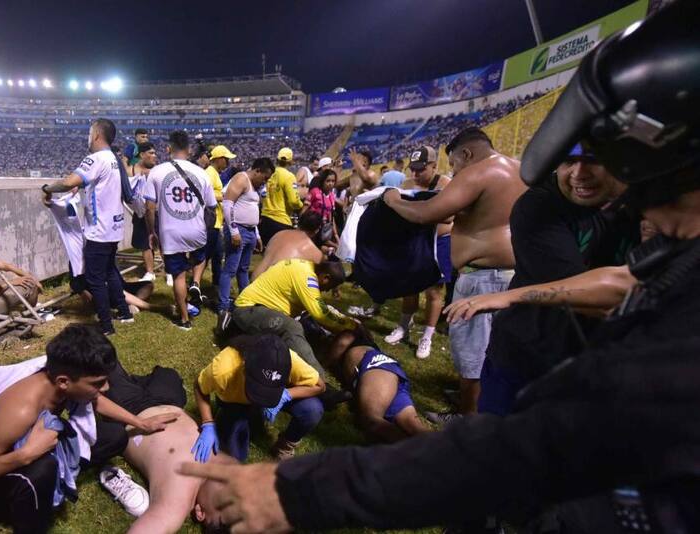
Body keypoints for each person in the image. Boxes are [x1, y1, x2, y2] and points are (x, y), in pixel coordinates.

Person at [179, 8, 700, 531]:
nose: (581, 175)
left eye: (600, 157)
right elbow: (626, 288)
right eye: (573, 159)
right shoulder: (594, 228)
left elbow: (518, 451)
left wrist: (298, 492)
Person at [445, 143, 637, 416]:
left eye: (594, 159)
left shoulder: (653, 204)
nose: (578, 173)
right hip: (527, 358)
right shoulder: (540, 204)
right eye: (568, 161)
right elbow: (593, 298)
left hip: (601, 368)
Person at [0, 324, 177, 533]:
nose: (105, 388)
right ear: (63, 382)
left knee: (115, 436)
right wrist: (25, 455)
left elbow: (95, 400)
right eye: (98, 383)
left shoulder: (62, 379)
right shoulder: (21, 411)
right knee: (44, 469)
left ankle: (57, 476)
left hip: (29, 443)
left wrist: (140, 422)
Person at [382, 129, 526, 418]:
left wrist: (392, 199)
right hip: (511, 274)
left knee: (473, 353)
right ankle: (479, 401)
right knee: (494, 348)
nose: (455, 170)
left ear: (467, 153)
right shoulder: (519, 168)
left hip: (482, 277)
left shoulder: (479, 172)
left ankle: (465, 416)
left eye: (455, 163)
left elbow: (427, 213)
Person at [101, 360, 238, 533]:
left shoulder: (176, 503)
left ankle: (124, 382)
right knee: (167, 375)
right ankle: (134, 382)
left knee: (102, 359)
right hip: (170, 402)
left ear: (201, 512)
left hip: (131, 410)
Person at [42, 118, 133, 336]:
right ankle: (124, 313)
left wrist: (47, 188)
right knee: (110, 271)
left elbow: (68, 182)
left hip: (99, 231)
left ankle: (106, 325)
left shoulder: (95, 158)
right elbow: (97, 185)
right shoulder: (113, 159)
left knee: (95, 279)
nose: (88, 138)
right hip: (113, 228)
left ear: (97, 135)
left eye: (89, 133)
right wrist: (81, 187)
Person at [192, 335, 325, 462]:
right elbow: (199, 385)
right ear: (245, 366)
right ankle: (238, 418)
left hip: (275, 394)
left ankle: (284, 445)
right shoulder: (224, 368)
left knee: (312, 409)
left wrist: (286, 395)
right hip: (235, 401)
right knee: (234, 456)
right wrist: (207, 423)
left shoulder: (287, 359)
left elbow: (320, 386)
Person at [232, 258, 357, 379]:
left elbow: (320, 307)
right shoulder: (307, 278)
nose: (327, 291)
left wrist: (347, 321)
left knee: (307, 326)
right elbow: (321, 314)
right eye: (330, 286)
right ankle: (318, 379)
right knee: (292, 327)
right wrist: (351, 325)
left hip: (261, 310)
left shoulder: (303, 265)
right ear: (326, 278)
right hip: (249, 310)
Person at [383, 146, 453, 359]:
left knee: (433, 291)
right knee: (409, 287)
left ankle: (427, 336)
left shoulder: (446, 185)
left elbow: (450, 217)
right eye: (412, 169)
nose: (415, 174)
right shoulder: (406, 184)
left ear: (434, 166)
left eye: (420, 169)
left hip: (439, 242)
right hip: (415, 241)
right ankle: (404, 326)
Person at [144, 130, 217, 331]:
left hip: (170, 232)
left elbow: (149, 208)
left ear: (169, 148)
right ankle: (196, 282)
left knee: (178, 276)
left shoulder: (156, 172)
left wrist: (152, 232)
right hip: (197, 230)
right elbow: (212, 206)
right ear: (189, 149)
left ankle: (184, 319)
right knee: (200, 258)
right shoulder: (202, 173)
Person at [45, 188, 155, 314]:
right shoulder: (82, 252)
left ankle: (132, 304)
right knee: (114, 290)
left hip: (116, 286)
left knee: (147, 285)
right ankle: (140, 306)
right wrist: (82, 291)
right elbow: (74, 280)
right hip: (102, 289)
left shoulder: (105, 246)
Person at [323, 328, 430, 443]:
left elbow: (343, 342)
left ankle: (410, 451)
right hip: (388, 369)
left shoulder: (351, 336)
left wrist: (324, 363)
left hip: (376, 367)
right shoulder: (366, 342)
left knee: (371, 420)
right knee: (414, 426)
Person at [218, 157, 272, 315]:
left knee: (243, 269)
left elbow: (252, 209)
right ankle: (223, 306)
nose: (265, 182)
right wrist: (234, 231)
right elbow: (227, 204)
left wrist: (257, 235)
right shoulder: (241, 178)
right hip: (239, 230)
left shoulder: (254, 186)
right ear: (257, 171)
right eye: (265, 178)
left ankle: (245, 302)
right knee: (230, 269)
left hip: (250, 231)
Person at [193, 145, 235, 309]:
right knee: (207, 255)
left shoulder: (214, 173)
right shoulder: (210, 173)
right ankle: (196, 285)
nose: (228, 162)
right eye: (226, 159)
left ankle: (214, 284)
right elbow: (204, 194)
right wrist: (223, 196)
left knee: (216, 254)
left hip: (215, 222)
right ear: (218, 159)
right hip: (211, 223)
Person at [251, 211, 327, 281]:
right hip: (271, 287)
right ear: (317, 230)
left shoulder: (278, 235)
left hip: (254, 282)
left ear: (299, 222)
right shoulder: (316, 253)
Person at [259, 148, 304, 245]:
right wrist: (301, 205)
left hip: (265, 219)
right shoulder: (289, 176)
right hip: (281, 221)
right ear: (291, 161)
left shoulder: (269, 174)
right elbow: (294, 202)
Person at [129, 142, 159, 282]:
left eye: (154, 153)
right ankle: (150, 272)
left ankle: (170, 273)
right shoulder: (131, 170)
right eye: (151, 153)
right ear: (142, 155)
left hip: (156, 211)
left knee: (162, 242)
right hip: (140, 212)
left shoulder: (157, 171)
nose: (154, 156)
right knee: (144, 243)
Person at [304, 169, 341, 249]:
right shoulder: (314, 192)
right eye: (328, 181)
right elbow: (304, 211)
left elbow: (331, 218)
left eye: (333, 181)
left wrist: (335, 235)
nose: (330, 183)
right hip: (311, 229)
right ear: (322, 181)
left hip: (323, 230)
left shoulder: (332, 196)